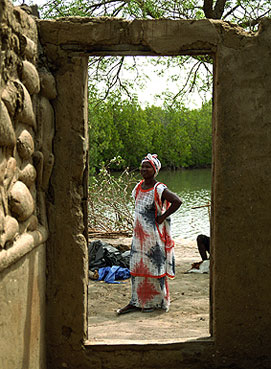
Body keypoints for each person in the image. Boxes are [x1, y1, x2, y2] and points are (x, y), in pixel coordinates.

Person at [117, 153, 182, 315]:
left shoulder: (159, 188)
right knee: (137, 268)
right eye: (142, 166)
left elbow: (177, 201)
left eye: (148, 167)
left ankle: (155, 302)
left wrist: (162, 217)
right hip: (138, 238)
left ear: (155, 170)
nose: (144, 169)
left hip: (153, 238)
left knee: (153, 269)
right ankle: (136, 301)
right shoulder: (138, 187)